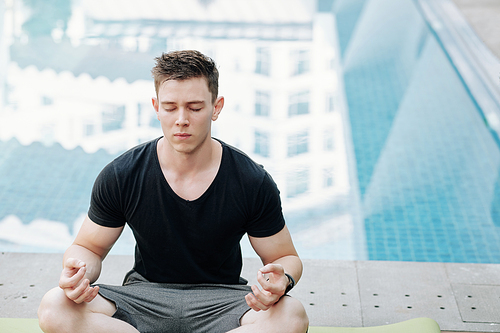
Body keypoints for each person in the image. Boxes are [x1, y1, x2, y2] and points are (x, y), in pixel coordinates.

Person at [37, 50, 309, 333]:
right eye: (170, 107)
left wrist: (283, 279)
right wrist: (78, 270)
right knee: (55, 305)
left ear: (216, 107)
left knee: (291, 314)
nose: (181, 119)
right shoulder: (122, 174)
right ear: (156, 106)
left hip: (223, 300)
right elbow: (88, 247)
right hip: (144, 297)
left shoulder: (251, 180)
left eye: (194, 107)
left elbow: (285, 258)